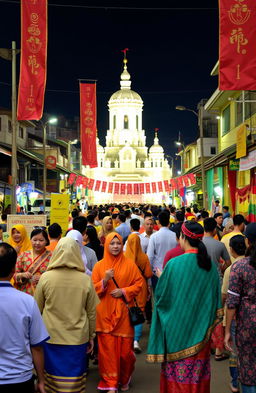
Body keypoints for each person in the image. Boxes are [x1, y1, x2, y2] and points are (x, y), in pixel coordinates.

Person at [147, 221, 223, 393]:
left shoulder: (174, 264)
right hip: (202, 331)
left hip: (176, 331)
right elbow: (214, 300)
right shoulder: (209, 266)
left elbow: (162, 299)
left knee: (176, 378)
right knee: (198, 376)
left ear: (183, 237)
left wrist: (162, 277)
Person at [34, 237, 99, 393]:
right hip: (77, 339)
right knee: (74, 379)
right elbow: (91, 313)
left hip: (51, 338)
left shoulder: (46, 278)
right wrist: (91, 336)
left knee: (51, 378)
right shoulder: (85, 280)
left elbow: (37, 309)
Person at [91, 232, 143, 392]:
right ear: (106, 245)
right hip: (105, 315)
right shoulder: (99, 266)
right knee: (107, 354)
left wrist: (124, 291)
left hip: (124, 316)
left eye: (118, 243)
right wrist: (105, 280)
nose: (115, 246)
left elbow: (139, 283)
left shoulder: (130, 264)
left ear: (122, 245)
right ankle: (111, 382)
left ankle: (124, 377)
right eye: (112, 243)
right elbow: (92, 290)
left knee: (125, 354)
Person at [0, 243, 49, 393]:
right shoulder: (27, 301)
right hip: (20, 377)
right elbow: (37, 346)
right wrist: (41, 379)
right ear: (14, 269)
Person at [225, 223, 256, 393]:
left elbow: (232, 302)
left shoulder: (240, 267)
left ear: (247, 241)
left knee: (248, 366)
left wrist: (228, 330)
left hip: (247, 325)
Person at [202, 218, 231, 361]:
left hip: (201, 283)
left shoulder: (198, 244)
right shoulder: (219, 244)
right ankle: (218, 350)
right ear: (214, 230)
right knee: (218, 316)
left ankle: (206, 347)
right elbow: (228, 262)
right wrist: (220, 268)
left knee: (204, 315)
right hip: (217, 282)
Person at [222, 235, 246, 393]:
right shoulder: (252, 264)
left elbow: (226, 297)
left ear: (231, 249)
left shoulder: (231, 269)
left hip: (236, 317)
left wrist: (226, 326)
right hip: (249, 317)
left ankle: (235, 382)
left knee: (235, 351)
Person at [125, 233, 152, 354]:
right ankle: (136, 341)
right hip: (141, 287)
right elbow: (148, 274)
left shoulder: (124, 257)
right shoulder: (144, 257)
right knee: (139, 312)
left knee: (129, 312)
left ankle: (128, 339)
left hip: (128, 288)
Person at [14, 228, 51, 296]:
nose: (37, 243)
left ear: (46, 241)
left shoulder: (52, 256)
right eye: (35, 240)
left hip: (44, 293)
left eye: (41, 240)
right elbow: (14, 274)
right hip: (25, 293)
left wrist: (44, 278)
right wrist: (22, 275)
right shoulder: (23, 255)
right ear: (30, 240)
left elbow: (55, 275)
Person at [147, 211, 177, 290]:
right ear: (169, 222)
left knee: (158, 298)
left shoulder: (154, 236)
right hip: (172, 272)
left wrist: (148, 278)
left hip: (157, 272)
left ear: (158, 222)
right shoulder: (175, 236)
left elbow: (149, 257)